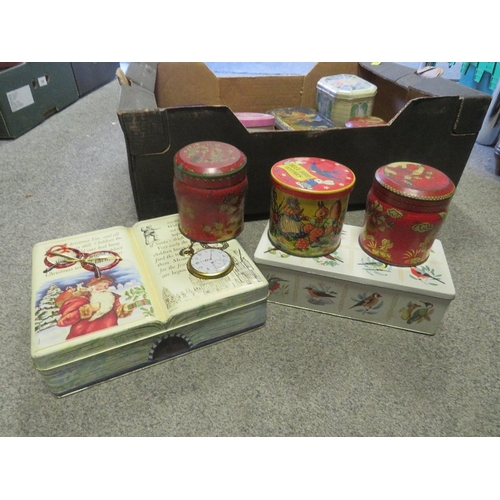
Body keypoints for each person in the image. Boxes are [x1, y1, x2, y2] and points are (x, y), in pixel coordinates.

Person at [56, 275, 132, 340]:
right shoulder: (81, 299)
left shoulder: (112, 298)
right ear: (91, 287)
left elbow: (119, 312)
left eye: (106, 286)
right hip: (83, 340)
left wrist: (124, 309)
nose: (104, 288)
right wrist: (89, 309)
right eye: (100, 286)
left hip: (110, 336)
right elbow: (62, 322)